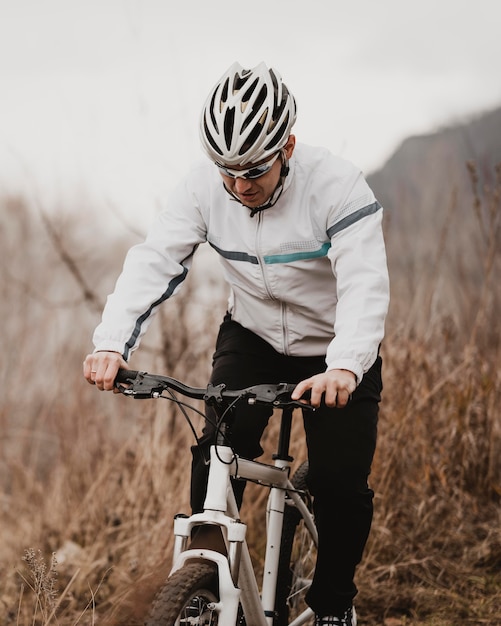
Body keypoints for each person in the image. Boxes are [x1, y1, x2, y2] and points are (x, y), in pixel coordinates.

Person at [83, 61, 389, 626]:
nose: (239, 186)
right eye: (227, 171)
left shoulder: (338, 186)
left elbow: (365, 286)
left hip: (334, 347)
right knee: (217, 446)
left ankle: (332, 607)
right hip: (253, 335)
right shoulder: (205, 187)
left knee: (341, 483)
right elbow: (155, 260)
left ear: (288, 146)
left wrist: (346, 368)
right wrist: (111, 344)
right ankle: (209, 583)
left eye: (253, 171)